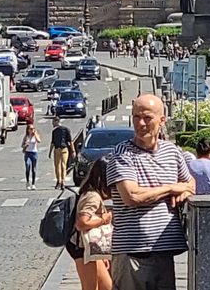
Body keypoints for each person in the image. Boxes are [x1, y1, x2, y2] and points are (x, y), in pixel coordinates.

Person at [104, 94, 193, 290]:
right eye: (136, 117)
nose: (140, 123)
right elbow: (132, 196)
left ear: (162, 120)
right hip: (133, 252)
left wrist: (183, 193)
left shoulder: (172, 152)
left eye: (147, 118)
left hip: (164, 250)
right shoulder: (122, 153)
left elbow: (190, 183)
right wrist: (170, 188)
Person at [69, 157, 115, 290]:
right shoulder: (92, 196)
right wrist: (104, 219)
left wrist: (101, 255)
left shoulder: (91, 193)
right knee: (91, 287)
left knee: (106, 286)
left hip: (88, 247)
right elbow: (82, 223)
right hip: (82, 247)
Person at [52, 119, 75, 190]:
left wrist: (73, 151)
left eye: (53, 122)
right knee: (60, 166)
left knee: (60, 166)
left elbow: (70, 141)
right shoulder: (56, 131)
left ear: (57, 122)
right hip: (60, 149)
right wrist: (73, 151)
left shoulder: (62, 130)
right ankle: (60, 181)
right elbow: (53, 142)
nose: (53, 124)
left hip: (61, 149)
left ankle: (61, 181)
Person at [22, 123, 41, 189]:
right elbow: (22, 145)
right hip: (27, 153)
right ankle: (27, 182)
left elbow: (39, 141)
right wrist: (25, 146)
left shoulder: (35, 135)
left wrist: (35, 134)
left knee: (34, 169)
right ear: (28, 130)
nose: (32, 130)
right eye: (31, 129)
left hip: (34, 153)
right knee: (28, 167)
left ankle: (33, 184)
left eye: (33, 128)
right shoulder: (26, 136)